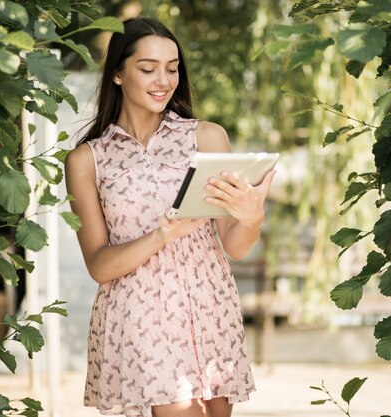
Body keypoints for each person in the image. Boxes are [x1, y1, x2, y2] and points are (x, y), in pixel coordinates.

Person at [65, 17, 276, 417]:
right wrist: (162, 234)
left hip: (209, 307)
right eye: (148, 69)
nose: (163, 80)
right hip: (141, 318)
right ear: (117, 75)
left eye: (172, 67)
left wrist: (252, 216)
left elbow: (234, 243)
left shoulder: (207, 137)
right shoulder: (87, 160)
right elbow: (99, 265)